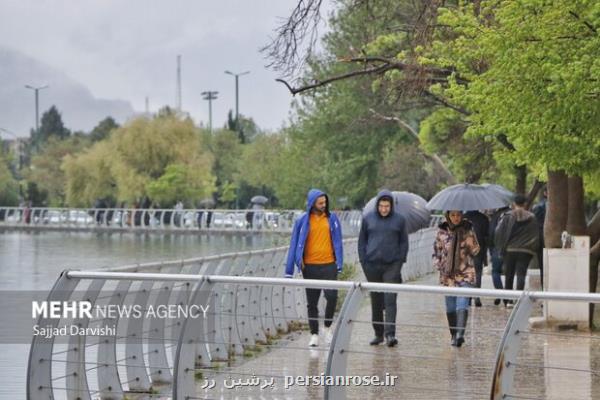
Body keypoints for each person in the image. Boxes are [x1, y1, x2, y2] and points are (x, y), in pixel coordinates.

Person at [285, 189, 344, 347]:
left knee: (332, 297)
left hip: (329, 265)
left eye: (325, 202)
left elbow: (338, 242)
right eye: (320, 203)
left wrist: (340, 263)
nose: (324, 205)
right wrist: (288, 271)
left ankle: (327, 327)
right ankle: (314, 334)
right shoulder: (302, 221)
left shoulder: (332, 219)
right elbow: (293, 245)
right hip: (309, 267)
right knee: (312, 302)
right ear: (312, 203)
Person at [358, 190, 409, 347]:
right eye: (381, 206)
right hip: (372, 265)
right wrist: (363, 261)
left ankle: (390, 334)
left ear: (391, 206)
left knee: (390, 299)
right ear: (377, 205)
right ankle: (378, 334)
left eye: (387, 206)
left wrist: (400, 261)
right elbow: (362, 242)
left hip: (392, 265)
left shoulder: (400, 220)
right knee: (376, 300)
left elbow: (404, 243)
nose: (384, 209)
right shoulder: (368, 219)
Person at [433, 210, 480, 347]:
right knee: (450, 307)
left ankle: (460, 334)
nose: (456, 218)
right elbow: (436, 252)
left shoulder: (468, 230)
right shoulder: (442, 232)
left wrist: (470, 240)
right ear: (448, 216)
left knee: (462, 301)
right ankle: (453, 334)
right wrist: (439, 265)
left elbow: (476, 251)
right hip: (448, 276)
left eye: (458, 215)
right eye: (453, 215)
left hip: (466, 273)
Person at [495, 194, 540, 305]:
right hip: (525, 251)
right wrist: (532, 249)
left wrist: (501, 248)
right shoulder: (532, 218)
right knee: (521, 275)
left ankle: (508, 300)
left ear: (514, 204)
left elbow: (498, 232)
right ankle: (519, 299)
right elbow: (536, 234)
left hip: (510, 250)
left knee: (509, 275)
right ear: (525, 204)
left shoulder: (507, 216)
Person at [464, 210, 489, 307]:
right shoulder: (483, 218)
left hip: (465, 249)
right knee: (478, 273)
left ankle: (468, 298)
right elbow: (487, 235)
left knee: (468, 272)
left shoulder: (463, 217)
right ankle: (477, 296)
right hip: (479, 249)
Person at [488, 206, 510, 305]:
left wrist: (491, 249)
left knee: (495, 271)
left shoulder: (496, 216)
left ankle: (500, 292)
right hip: (511, 248)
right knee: (510, 273)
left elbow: (491, 233)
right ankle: (508, 297)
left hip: (498, 248)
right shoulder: (513, 214)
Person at [532, 187, 547, 288]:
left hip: (543, 238)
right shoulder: (540, 206)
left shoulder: (540, 206)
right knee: (543, 265)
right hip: (542, 239)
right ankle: (544, 287)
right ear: (545, 193)